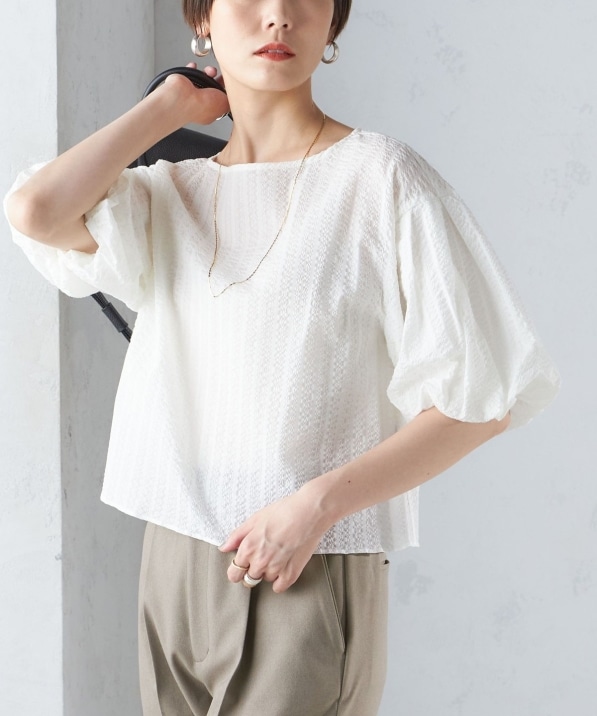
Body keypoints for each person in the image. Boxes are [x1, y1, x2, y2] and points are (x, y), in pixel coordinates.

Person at [4, 0, 559, 714]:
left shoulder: (381, 179)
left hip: (305, 560)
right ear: (202, 19)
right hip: (174, 553)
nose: (277, 17)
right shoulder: (169, 194)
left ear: (332, 24)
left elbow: (483, 403)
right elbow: (36, 212)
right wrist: (167, 107)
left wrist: (316, 506)